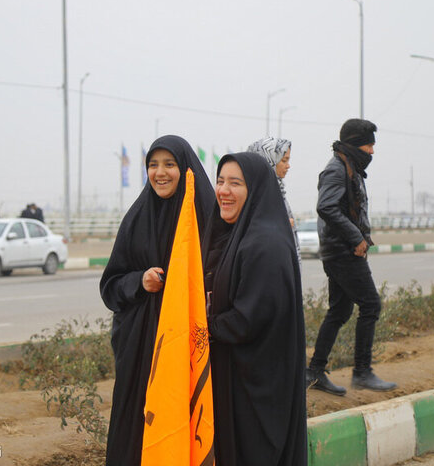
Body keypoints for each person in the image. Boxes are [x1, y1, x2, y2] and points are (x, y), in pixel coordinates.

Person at [99, 135, 215, 466]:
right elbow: (110, 286)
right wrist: (139, 281)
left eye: (169, 164)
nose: (159, 173)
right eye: (153, 165)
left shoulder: (206, 219)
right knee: (137, 430)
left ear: (187, 169)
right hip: (141, 352)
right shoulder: (136, 220)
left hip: (190, 350)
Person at [202, 152, 307, 466]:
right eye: (220, 181)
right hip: (248, 379)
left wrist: (202, 324)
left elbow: (248, 319)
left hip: (259, 389)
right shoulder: (242, 234)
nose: (223, 190)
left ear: (257, 189)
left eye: (236, 183)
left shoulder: (265, 243)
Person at [306, 118, 396, 396]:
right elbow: (327, 207)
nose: (372, 151)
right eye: (369, 144)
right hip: (342, 253)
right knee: (371, 305)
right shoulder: (336, 170)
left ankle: (314, 371)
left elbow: (349, 210)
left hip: (340, 250)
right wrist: (355, 237)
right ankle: (362, 372)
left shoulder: (349, 167)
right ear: (356, 144)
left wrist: (362, 236)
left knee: (340, 311)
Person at [247, 137, 301, 264]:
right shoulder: (258, 194)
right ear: (269, 161)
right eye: (284, 160)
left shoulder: (278, 189)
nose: (288, 166)